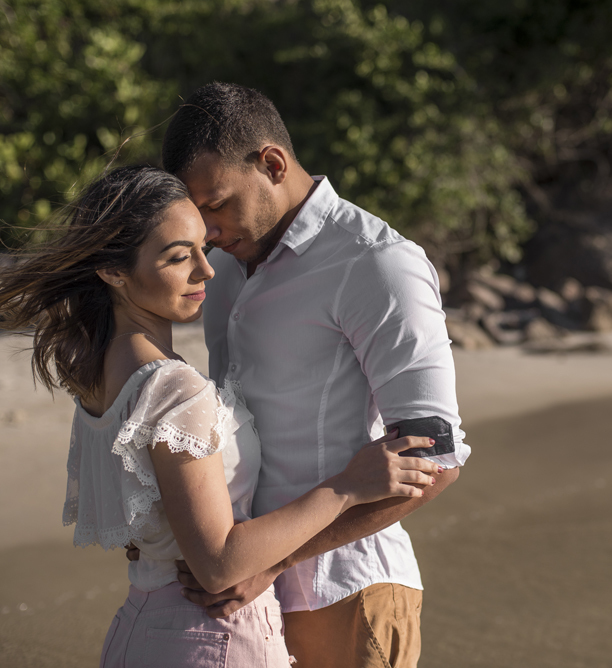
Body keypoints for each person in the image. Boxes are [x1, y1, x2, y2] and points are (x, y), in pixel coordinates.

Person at [0, 165, 440, 667]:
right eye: (180, 256)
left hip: (140, 627)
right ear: (114, 271)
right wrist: (347, 487)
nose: (207, 270)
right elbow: (219, 565)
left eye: (203, 248)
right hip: (213, 637)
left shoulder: (97, 373)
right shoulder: (174, 387)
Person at [157, 82, 471, 668]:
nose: (209, 230)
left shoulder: (376, 262)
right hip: (243, 602)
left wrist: (273, 563)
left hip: (347, 594)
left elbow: (437, 459)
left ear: (272, 164)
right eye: (198, 215)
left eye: (217, 204)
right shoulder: (220, 269)